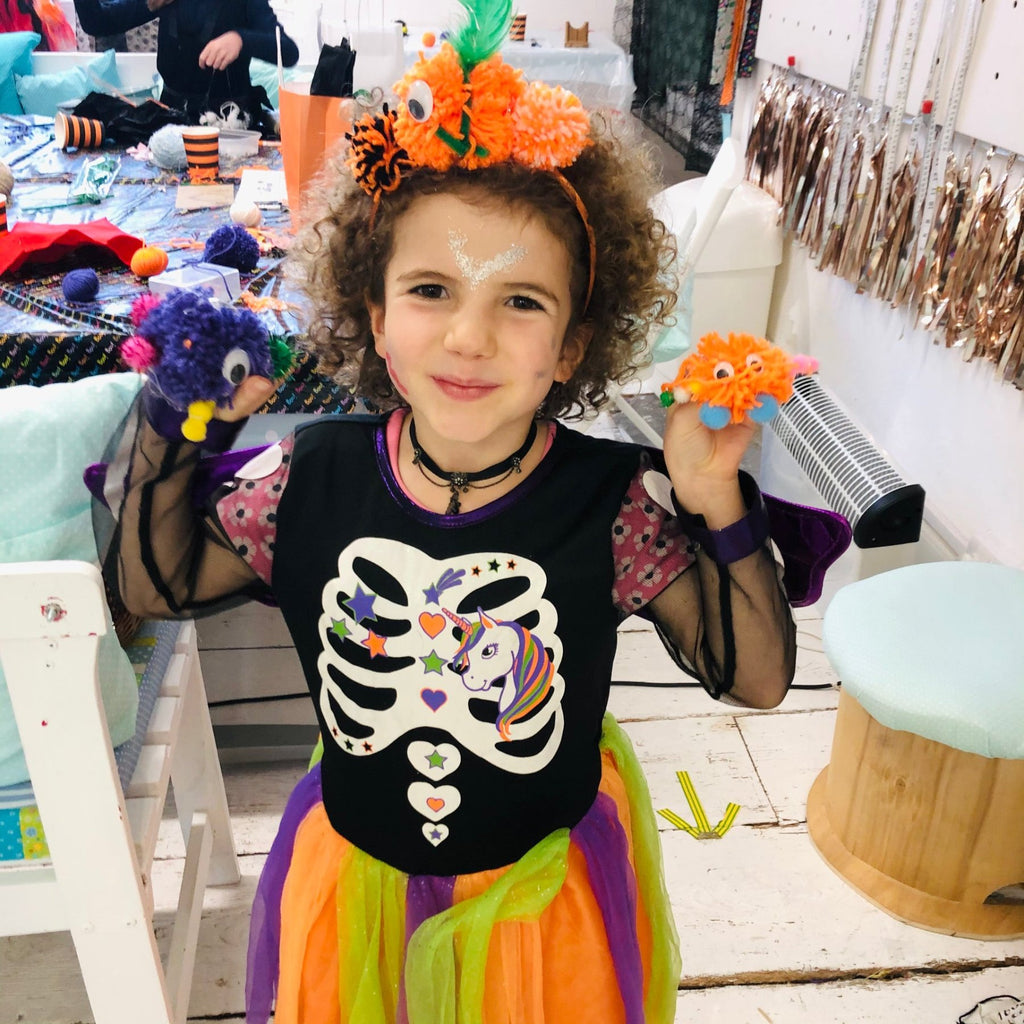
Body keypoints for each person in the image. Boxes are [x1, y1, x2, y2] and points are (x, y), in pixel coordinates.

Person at [100, 12, 800, 1022]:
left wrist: (710, 496)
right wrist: (180, 419)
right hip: (355, 883)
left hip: (540, 913)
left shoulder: (613, 509)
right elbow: (151, 585)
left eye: (521, 302)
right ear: (376, 316)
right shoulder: (304, 479)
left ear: (572, 344)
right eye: (431, 289)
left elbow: (760, 675)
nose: (468, 336)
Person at [72, 0, 298, 130]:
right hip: (169, 123)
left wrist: (240, 40)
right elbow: (97, 22)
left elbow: (289, 52)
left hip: (229, 125)